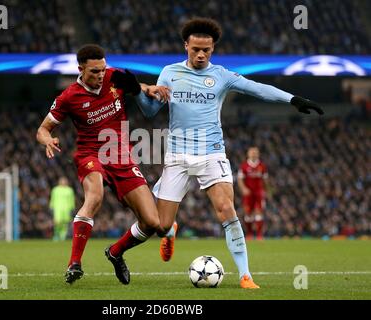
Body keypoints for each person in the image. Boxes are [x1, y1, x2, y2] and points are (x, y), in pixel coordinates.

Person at [124, 17, 323, 289]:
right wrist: (137, 93)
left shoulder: (221, 76)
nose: (201, 54)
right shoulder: (169, 73)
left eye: (206, 49)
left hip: (211, 154)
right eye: (196, 49)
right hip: (178, 157)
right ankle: (169, 232)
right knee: (159, 225)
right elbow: (149, 111)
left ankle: (245, 275)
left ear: (213, 48)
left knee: (227, 209)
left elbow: (258, 88)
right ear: (186, 46)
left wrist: (292, 99)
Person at [36, 44, 167, 285]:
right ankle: (74, 263)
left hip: (121, 156)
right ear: (81, 69)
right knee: (94, 197)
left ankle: (116, 252)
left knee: (153, 223)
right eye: (94, 71)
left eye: (102, 70)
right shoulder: (69, 97)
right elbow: (43, 129)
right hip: (90, 154)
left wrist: (150, 89)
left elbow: (136, 88)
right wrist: (48, 140)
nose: (100, 76)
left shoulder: (115, 77)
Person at [237, 147, 269, 241]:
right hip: (248, 193)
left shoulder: (262, 166)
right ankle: (249, 234)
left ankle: (259, 235)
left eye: (255, 153)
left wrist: (266, 190)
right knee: (248, 213)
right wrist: (243, 189)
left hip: (258, 192)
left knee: (259, 212)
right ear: (248, 154)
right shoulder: (244, 166)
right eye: (252, 152)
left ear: (258, 154)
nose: (253, 154)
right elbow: (240, 179)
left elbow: (265, 179)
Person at [49, 176, 76, 241]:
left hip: (67, 209)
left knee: (65, 222)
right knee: (57, 222)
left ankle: (63, 236)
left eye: (64, 181)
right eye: (62, 180)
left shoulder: (69, 190)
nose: (63, 182)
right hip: (57, 208)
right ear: (59, 182)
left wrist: (72, 208)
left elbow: (72, 200)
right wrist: (51, 207)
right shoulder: (55, 190)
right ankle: (57, 235)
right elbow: (52, 199)